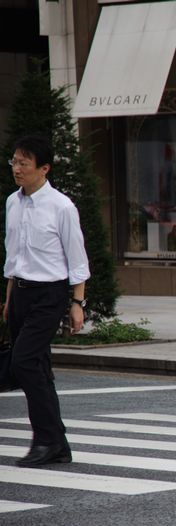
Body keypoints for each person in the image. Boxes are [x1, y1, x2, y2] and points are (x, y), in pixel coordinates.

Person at [3, 135, 90, 467]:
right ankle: (57, 444)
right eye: (14, 161)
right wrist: (9, 301)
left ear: (44, 168)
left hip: (48, 294)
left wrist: (77, 302)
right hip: (20, 293)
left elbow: (77, 258)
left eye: (24, 163)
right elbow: (13, 256)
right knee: (38, 368)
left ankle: (46, 439)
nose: (17, 169)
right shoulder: (13, 202)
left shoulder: (61, 206)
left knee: (24, 362)